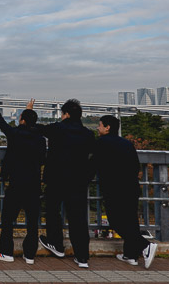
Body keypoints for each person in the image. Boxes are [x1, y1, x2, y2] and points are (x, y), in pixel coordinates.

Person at [0, 92, 46, 264]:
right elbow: (42, 159)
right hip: (34, 183)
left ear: (21, 120)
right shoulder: (41, 139)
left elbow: (0, 123)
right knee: (32, 221)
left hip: (16, 182)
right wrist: (29, 112)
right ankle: (29, 255)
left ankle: (6, 252)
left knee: (7, 219)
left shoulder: (15, 134)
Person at [36, 99, 95, 268]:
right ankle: (82, 256)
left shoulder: (57, 129)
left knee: (53, 211)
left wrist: (30, 113)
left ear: (66, 114)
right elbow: (94, 156)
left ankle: (56, 245)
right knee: (78, 218)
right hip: (78, 182)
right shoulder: (87, 134)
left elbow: (38, 128)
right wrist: (87, 176)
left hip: (56, 179)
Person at [93, 115, 157, 269]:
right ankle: (131, 255)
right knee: (131, 221)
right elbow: (136, 166)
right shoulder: (127, 143)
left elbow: (93, 164)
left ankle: (145, 245)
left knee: (115, 220)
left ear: (107, 127)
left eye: (100, 125)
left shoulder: (101, 143)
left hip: (114, 188)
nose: (97, 128)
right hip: (131, 187)